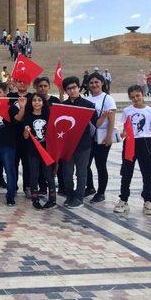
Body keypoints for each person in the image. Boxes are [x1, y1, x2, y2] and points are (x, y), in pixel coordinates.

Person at [115, 85, 151, 215]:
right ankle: (123, 200)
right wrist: (123, 134)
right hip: (130, 143)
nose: (135, 99)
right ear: (130, 98)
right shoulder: (127, 111)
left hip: (145, 142)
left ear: (142, 95)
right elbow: (125, 129)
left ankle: (147, 201)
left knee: (147, 173)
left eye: (137, 96)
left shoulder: (150, 111)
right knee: (126, 171)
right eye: (132, 97)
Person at [61, 76, 98, 209]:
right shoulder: (63, 105)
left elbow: (96, 124)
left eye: (74, 88)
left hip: (83, 144)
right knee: (67, 171)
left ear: (79, 88)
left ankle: (79, 197)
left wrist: (106, 117)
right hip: (67, 145)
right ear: (66, 91)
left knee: (81, 171)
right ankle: (70, 195)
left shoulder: (88, 105)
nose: (72, 91)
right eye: (69, 89)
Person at [85, 72, 117, 203]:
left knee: (100, 165)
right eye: (91, 82)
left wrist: (109, 136)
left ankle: (101, 192)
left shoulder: (107, 98)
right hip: (90, 136)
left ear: (102, 83)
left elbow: (111, 119)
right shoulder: (88, 99)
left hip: (103, 135)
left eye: (97, 82)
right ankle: (90, 187)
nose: (94, 85)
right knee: (85, 164)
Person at [22, 93, 56, 209]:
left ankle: (52, 199)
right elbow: (25, 137)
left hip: (46, 151)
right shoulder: (28, 116)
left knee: (48, 174)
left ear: (43, 102)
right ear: (31, 103)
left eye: (39, 100)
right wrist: (26, 130)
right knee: (34, 174)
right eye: (34, 100)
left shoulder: (48, 115)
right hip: (33, 151)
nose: (37, 102)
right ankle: (35, 198)